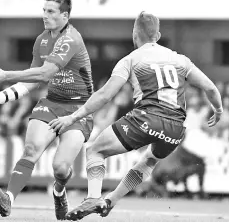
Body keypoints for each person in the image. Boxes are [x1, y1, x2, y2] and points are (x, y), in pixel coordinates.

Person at [49, 11, 223, 221]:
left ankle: (94, 197)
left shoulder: (131, 59)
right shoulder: (180, 60)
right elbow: (211, 88)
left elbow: (105, 95)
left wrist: (73, 117)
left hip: (147, 118)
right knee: (149, 160)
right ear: (157, 36)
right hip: (176, 128)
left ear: (134, 35)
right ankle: (110, 201)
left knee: (96, 150)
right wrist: (219, 109)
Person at [0, 0, 95, 220]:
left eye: (51, 11)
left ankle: (59, 191)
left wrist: (5, 75)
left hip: (79, 110)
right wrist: (1, 97)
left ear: (65, 16)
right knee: (31, 149)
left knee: (60, 168)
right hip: (51, 103)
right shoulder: (41, 40)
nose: (45, 15)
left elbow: (45, 73)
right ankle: (8, 199)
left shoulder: (70, 39)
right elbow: (32, 81)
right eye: (44, 10)